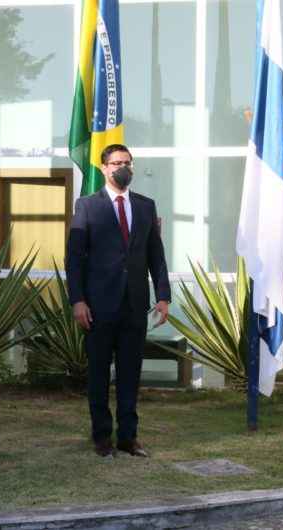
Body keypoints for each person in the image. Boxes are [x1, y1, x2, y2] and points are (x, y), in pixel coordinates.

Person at [66, 144, 171, 458]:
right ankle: (101, 438)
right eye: (115, 163)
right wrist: (78, 301)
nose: (121, 167)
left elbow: (156, 255)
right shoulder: (87, 206)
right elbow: (74, 259)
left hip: (134, 305)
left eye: (126, 162)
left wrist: (163, 296)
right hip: (97, 307)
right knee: (99, 375)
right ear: (103, 168)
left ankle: (128, 437)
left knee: (130, 375)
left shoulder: (145, 206)